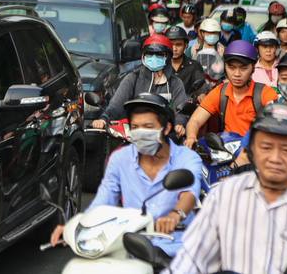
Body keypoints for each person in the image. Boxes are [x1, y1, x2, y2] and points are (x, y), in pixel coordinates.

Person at [171, 103, 287, 273]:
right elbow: (191, 262)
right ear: (251, 150)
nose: (275, 158)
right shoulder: (224, 197)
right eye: (266, 147)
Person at [51, 94, 202, 259]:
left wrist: (175, 215)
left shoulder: (187, 157)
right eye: (135, 127)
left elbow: (189, 193)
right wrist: (77, 226)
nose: (140, 132)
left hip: (178, 249)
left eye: (148, 127)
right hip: (131, 248)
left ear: (165, 128)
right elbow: (103, 202)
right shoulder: (120, 159)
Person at [183, 41, 278, 146]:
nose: (237, 74)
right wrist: (191, 137)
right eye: (231, 67)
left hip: (255, 150)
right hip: (226, 151)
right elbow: (195, 120)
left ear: (253, 68)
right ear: (225, 67)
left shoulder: (266, 94)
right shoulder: (220, 92)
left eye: (243, 68)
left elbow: (275, 126)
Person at [92, 35, 189, 137]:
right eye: (149, 54)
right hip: (134, 135)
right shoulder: (132, 78)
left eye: (160, 54)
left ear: (168, 57)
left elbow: (181, 111)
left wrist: (179, 125)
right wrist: (104, 119)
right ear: (143, 56)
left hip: (165, 137)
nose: (154, 58)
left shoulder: (175, 83)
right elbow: (116, 105)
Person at [165, 26, 208, 102]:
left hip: (186, 106)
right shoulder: (160, 66)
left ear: (185, 45)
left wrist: (201, 93)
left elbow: (201, 84)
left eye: (179, 45)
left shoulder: (194, 65)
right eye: (171, 45)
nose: (174, 49)